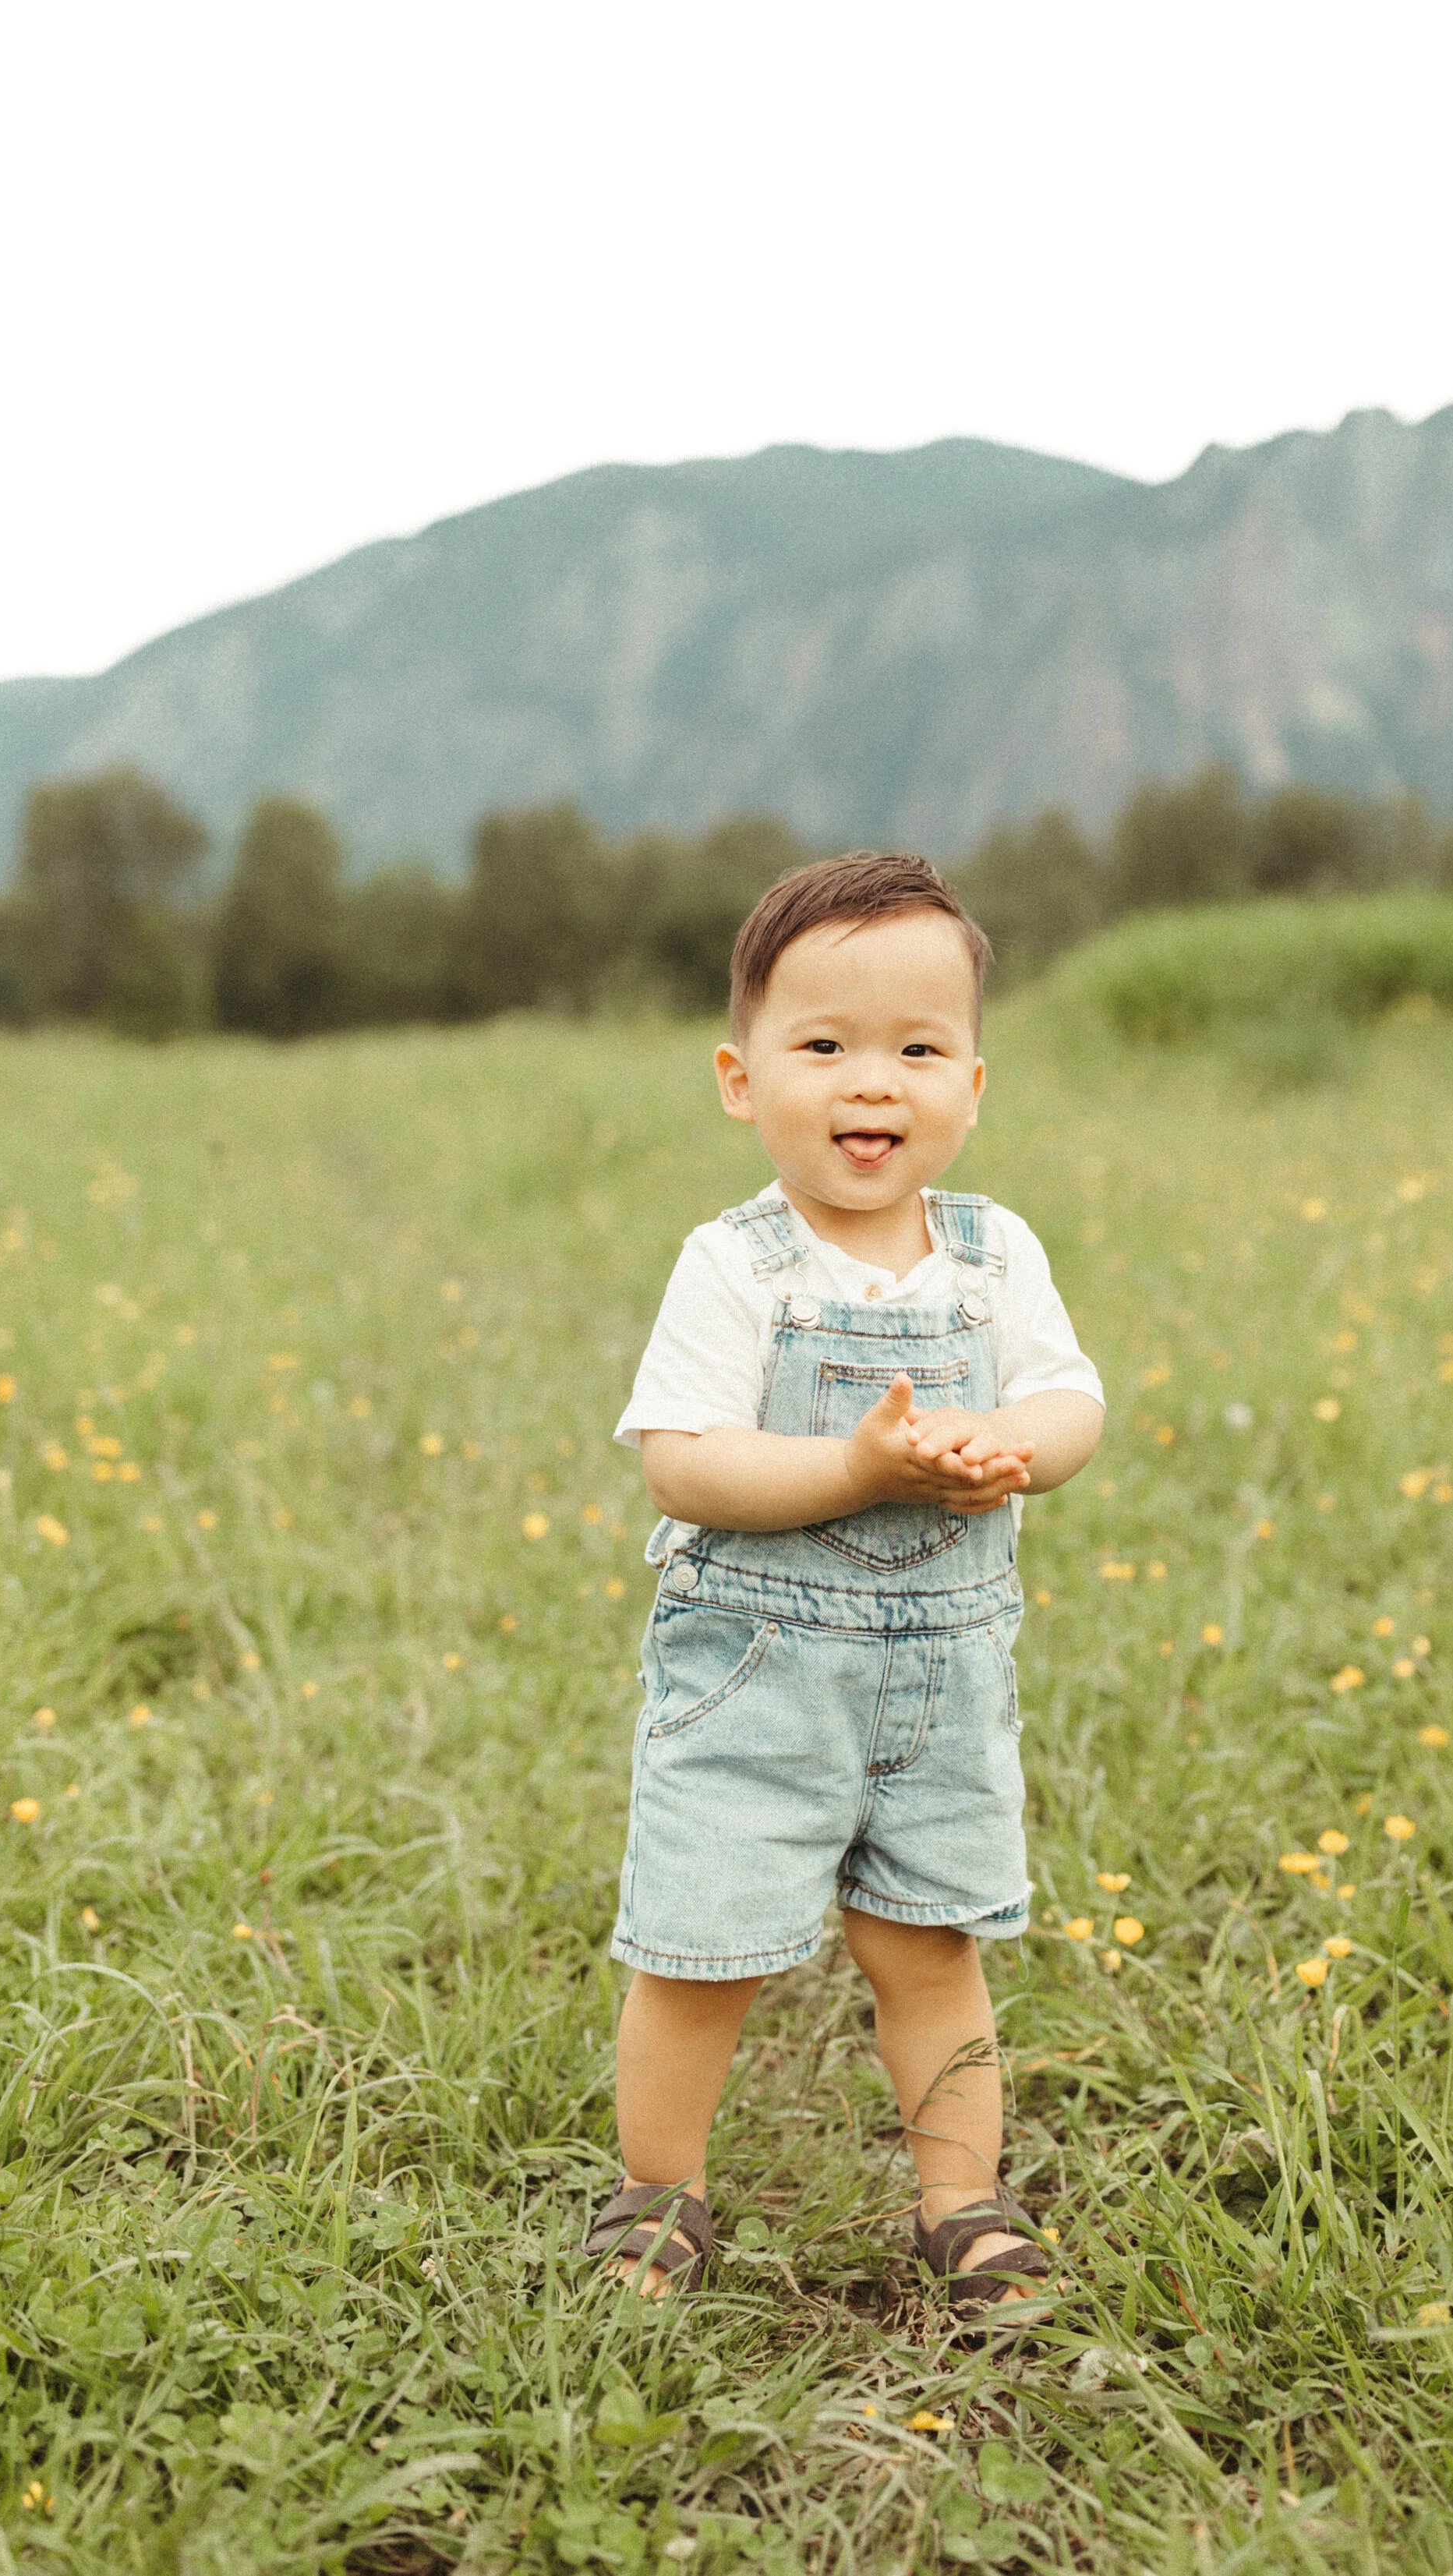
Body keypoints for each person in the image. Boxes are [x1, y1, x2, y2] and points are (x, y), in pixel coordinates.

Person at [585, 851, 1105, 2328]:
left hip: (940, 1686)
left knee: (930, 1950)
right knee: (700, 1951)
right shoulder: (738, 1264)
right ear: (742, 1079)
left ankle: (964, 2202)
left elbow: (1074, 1404)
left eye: (918, 1050)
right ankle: (658, 2194)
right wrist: (858, 1469)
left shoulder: (996, 1258)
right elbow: (683, 1465)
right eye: (824, 1047)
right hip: (757, 1675)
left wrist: (1018, 1445)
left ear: (974, 1085)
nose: (873, 1083)